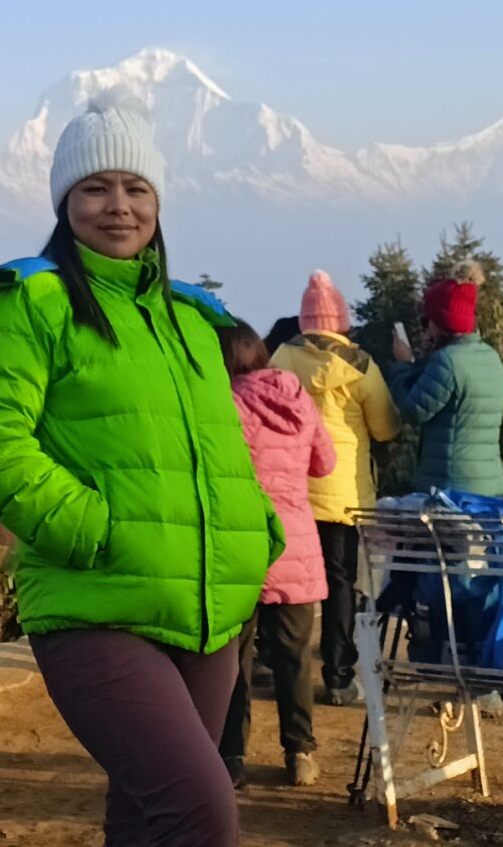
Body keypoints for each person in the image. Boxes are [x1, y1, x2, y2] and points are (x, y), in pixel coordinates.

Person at [0, 97, 278, 847]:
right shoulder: (31, 303)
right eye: (94, 188)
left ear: (158, 200)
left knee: (147, 817)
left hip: (209, 607)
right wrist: (92, 529)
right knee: (202, 812)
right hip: (94, 600)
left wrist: (256, 533)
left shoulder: (194, 319)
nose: (118, 206)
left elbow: (222, 448)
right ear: (65, 200)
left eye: (136, 188)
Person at [273, 270, 401, 704]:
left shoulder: (283, 359)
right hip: (345, 495)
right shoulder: (363, 367)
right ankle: (339, 676)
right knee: (340, 584)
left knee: (287, 584)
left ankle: (280, 664)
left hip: (292, 492)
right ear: (342, 322)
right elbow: (385, 428)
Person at [214, 318, 332, 788]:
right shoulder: (300, 399)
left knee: (233, 661)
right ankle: (300, 753)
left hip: (243, 546)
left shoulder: (228, 403)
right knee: (295, 659)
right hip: (297, 546)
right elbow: (326, 463)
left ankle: (230, 759)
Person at [383, 262, 503, 498]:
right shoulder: (490, 358)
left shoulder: (447, 362)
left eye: (427, 321)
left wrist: (403, 365)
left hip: (451, 489)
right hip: (487, 488)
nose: (426, 328)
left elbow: (412, 410)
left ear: (441, 323)